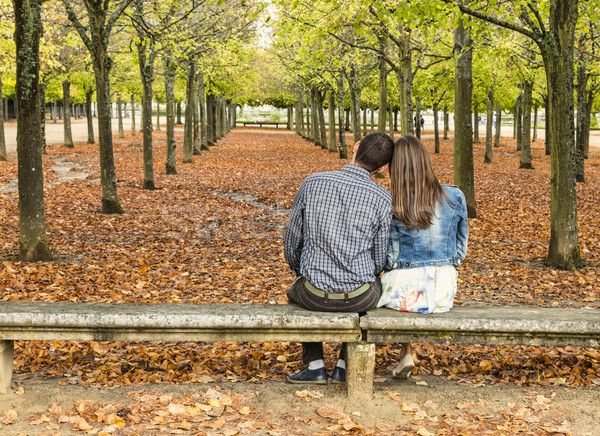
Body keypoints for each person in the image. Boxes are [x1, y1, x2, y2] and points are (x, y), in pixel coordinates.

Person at [284, 132, 394, 384]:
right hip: (359, 297)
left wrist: (303, 270)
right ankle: (344, 366)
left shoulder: (312, 183)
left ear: (355, 147)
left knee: (294, 294)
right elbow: (379, 260)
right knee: (374, 288)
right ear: (383, 167)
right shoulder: (383, 199)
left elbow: (292, 242)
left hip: (312, 292)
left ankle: (314, 365)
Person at [377, 135, 468, 379]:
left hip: (403, 292)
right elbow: (460, 250)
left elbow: (388, 257)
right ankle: (406, 352)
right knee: (415, 290)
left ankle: (405, 353)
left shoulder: (391, 202)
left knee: (395, 286)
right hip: (441, 291)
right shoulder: (455, 196)